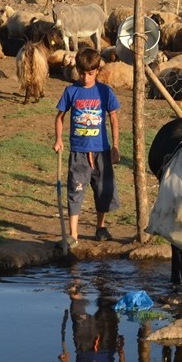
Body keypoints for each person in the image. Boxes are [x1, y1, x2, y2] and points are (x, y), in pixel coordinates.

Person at [53, 47, 121, 245]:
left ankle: (100, 227)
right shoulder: (71, 91)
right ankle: (73, 234)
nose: (86, 78)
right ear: (78, 71)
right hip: (78, 151)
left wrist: (115, 146)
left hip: (101, 149)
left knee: (103, 189)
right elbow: (60, 117)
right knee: (76, 189)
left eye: (90, 74)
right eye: (82, 73)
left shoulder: (105, 91)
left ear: (97, 71)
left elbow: (114, 118)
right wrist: (59, 139)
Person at [58, 286, 126, 362]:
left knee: (76, 303)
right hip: (107, 347)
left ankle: (77, 278)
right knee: (108, 299)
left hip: (83, 346)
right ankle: (105, 279)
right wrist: (122, 354)